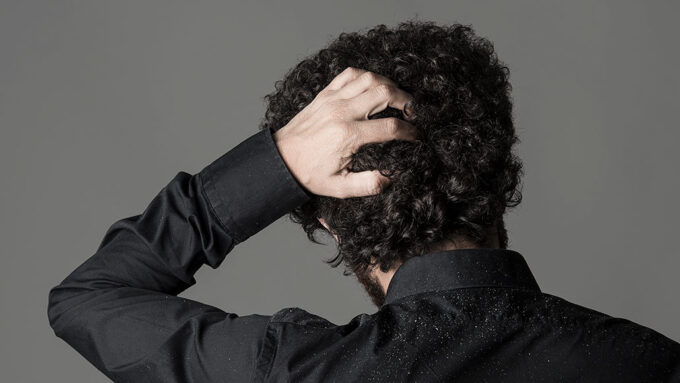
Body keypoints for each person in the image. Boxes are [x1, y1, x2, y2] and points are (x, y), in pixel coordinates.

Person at [48, 20, 679, 382]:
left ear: (328, 217)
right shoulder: (653, 364)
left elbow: (87, 299)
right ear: (491, 171)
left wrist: (276, 166)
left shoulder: (295, 371)